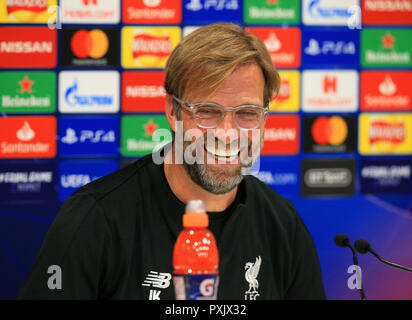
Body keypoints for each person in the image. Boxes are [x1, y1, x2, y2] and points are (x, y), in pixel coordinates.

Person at [17, 23, 325, 300]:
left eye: (247, 113)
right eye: (207, 111)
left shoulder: (284, 227)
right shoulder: (94, 220)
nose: (228, 134)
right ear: (172, 111)